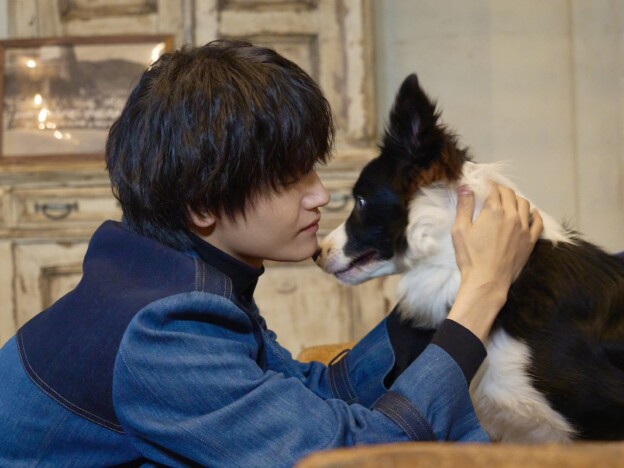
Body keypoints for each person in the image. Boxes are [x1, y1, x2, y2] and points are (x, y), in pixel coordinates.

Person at [0, 40, 543, 466]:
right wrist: (482, 294)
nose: (319, 194)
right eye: (290, 177)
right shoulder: (163, 332)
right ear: (203, 204)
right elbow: (353, 459)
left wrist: (443, 288)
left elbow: (312, 393)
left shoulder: (168, 270)